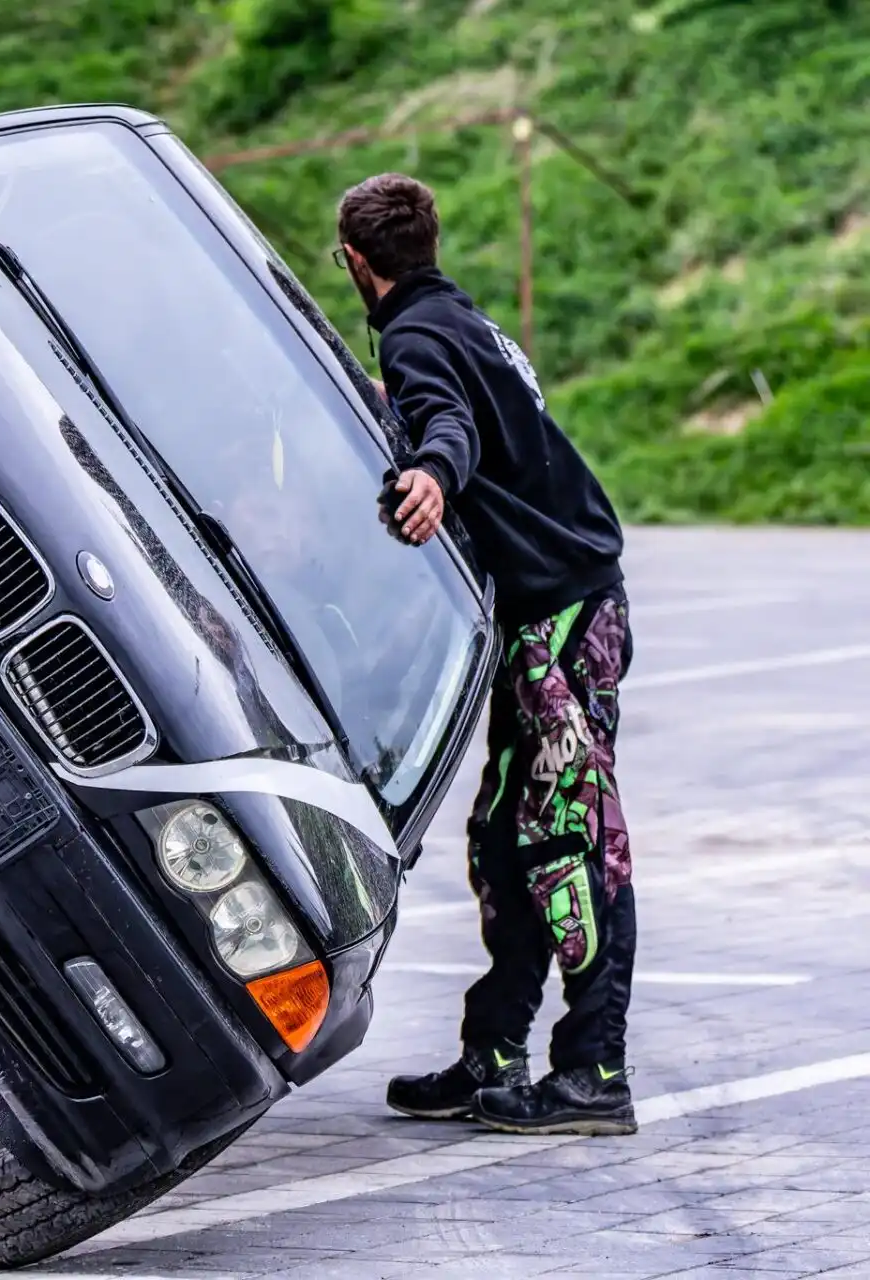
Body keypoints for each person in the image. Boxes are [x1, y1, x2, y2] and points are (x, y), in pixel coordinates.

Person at [335, 173, 637, 1135]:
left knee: (568, 842)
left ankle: (595, 1072)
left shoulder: (419, 335)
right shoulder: (456, 321)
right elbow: (448, 403)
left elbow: (450, 426)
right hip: (551, 611)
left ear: (355, 261)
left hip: (563, 618)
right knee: (505, 840)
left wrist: (428, 472)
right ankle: (494, 1054)